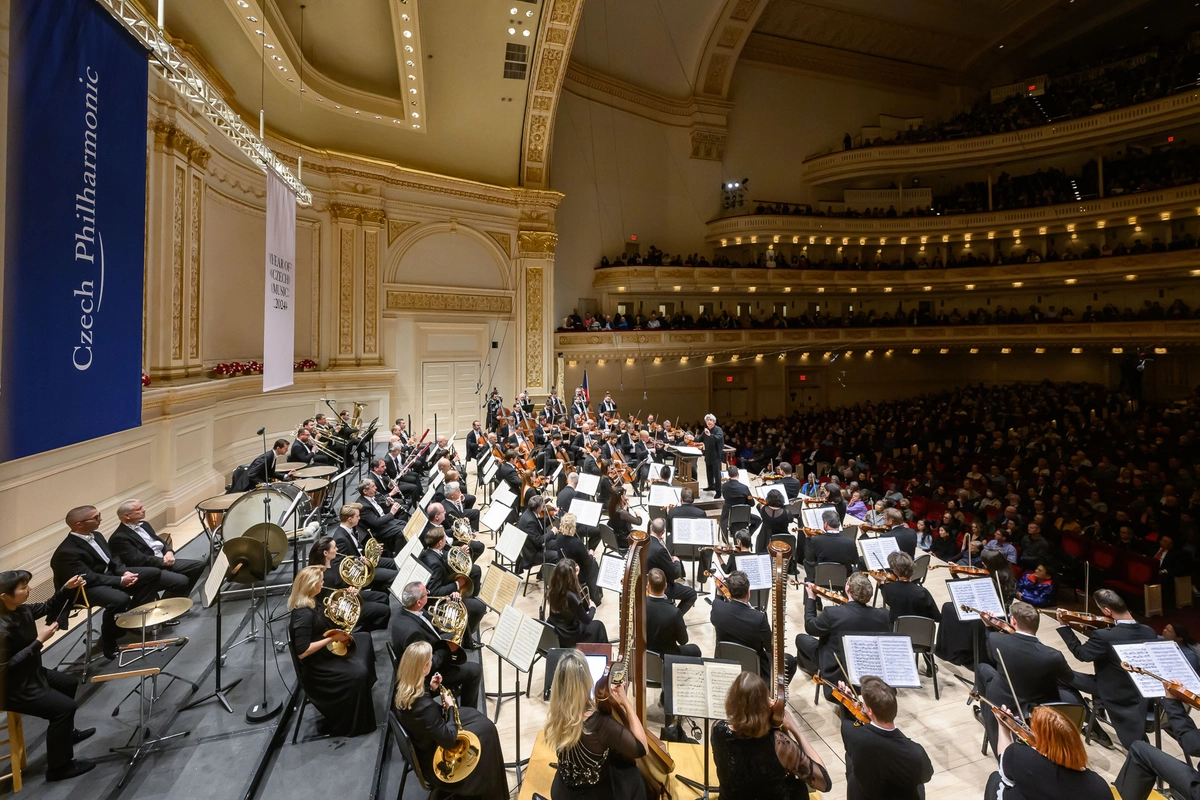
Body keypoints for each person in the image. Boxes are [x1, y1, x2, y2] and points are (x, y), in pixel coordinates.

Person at [0, 570, 96, 781]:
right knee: (64, 708)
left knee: (69, 683)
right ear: (4, 596)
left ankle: (66, 735)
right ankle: (58, 768)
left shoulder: (20, 609)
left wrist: (65, 589)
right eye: (23, 588)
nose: (29, 590)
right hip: (12, 688)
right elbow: (5, 669)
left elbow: (45, 607)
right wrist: (38, 642)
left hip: (30, 672)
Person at [392, 641, 507, 798]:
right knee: (487, 730)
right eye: (430, 660)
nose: (432, 661)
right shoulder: (426, 707)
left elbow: (424, 713)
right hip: (433, 760)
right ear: (425, 668)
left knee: (478, 720)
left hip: (422, 741)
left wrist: (430, 687)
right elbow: (448, 740)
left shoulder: (402, 687)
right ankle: (490, 786)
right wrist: (451, 707)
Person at [49, 505, 162, 659]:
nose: (100, 519)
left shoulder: (97, 535)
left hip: (106, 578)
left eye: (99, 515)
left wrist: (123, 572)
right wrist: (120, 580)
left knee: (152, 574)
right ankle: (108, 640)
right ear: (78, 525)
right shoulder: (66, 552)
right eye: (96, 517)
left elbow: (112, 558)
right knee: (119, 599)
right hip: (82, 590)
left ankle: (128, 620)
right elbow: (88, 577)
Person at [1058, 588, 1158, 749]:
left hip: (1115, 691)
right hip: (1141, 689)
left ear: (1107, 611)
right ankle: (1097, 712)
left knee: (1060, 677)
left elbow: (1082, 654)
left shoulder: (1105, 636)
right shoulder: (1149, 631)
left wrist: (1065, 627)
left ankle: (1094, 730)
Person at [974, 600, 1077, 754]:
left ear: (1013, 620)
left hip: (1006, 699)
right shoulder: (1054, 655)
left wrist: (989, 627)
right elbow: (1068, 678)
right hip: (1041, 703)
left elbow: (991, 654)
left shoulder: (998, 640)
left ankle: (988, 718)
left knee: (983, 669)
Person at [711, 671, 832, 799]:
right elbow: (824, 783)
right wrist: (795, 730)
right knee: (798, 787)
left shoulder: (717, 729)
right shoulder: (778, 743)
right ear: (764, 705)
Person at [545, 649, 647, 800]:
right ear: (587, 680)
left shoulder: (558, 713)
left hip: (562, 792)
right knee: (634, 776)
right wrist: (626, 703)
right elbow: (642, 749)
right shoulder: (600, 725)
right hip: (592, 795)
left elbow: (582, 708)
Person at [286, 565, 377, 736]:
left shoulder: (312, 599)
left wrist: (340, 604)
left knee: (364, 638)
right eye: (320, 581)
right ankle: (355, 721)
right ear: (312, 586)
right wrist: (332, 638)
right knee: (359, 672)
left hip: (325, 652)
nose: (323, 583)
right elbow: (303, 651)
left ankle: (362, 693)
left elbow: (324, 616)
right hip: (318, 666)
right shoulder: (303, 615)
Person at [840, 676, 933, 800]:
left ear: (870, 711)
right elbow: (927, 776)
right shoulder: (916, 752)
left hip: (863, 794)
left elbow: (847, 723)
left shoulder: (852, 734)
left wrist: (846, 701)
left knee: (851, 757)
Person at [796, 573, 890, 696]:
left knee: (800, 639)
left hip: (838, 676)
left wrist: (811, 599)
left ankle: (816, 670)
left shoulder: (833, 614)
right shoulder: (883, 615)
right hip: (867, 672)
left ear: (847, 589)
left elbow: (810, 627)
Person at [390, 581, 481, 708]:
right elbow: (426, 666)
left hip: (431, 650)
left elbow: (433, 626)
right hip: (427, 678)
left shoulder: (405, 612)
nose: (428, 593)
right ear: (418, 602)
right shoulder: (413, 633)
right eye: (425, 593)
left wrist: (450, 605)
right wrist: (447, 650)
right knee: (475, 671)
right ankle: (469, 712)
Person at [989, 705, 1110, 800]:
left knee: (994, 780)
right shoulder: (1099, 785)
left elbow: (1004, 762)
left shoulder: (1022, 758)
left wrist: (1004, 728)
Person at [109, 498, 205, 602]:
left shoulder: (144, 525)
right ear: (127, 516)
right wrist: (163, 561)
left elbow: (160, 542)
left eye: (142, 507)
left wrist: (169, 551)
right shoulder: (119, 537)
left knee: (197, 566)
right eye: (139, 509)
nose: (144, 509)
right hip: (149, 569)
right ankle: (167, 607)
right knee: (181, 581)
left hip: (161, 560)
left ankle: (174, 602)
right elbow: (138, 560)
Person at [711, 571, 793, 682]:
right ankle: (767, 693)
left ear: (729, 591)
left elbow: (717, 600)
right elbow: (770, 647)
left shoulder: (717, 608)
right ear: (748, 593)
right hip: (754, 668)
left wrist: (719, 591)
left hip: (727, 662)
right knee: (791, 661)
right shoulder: (758, 618)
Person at [307, 536, 390, 632]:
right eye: (334, 548)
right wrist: (349, 592)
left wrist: (361, 566)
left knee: (383, 597)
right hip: (344, 607)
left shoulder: (331, 564)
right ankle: (361, 631)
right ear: (326, 553)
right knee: (384, 611)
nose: (337, 549)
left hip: (349, 595)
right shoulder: (323, 575)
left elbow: (342, 583)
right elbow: (332, 600)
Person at [419, 526, 484, 639]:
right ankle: (466, 638)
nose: (447, 540)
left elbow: (442, 556)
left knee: (474, 571)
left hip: (443, 583)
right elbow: (435, 591)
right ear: (439, 543)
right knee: (480, 607)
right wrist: (457, 584)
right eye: (445, 538)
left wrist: (460, 552)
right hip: (438, 601)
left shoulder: (428, 553)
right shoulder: (435, 565)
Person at [331, 504, 399, 591]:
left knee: (395, 563)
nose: (359, 518)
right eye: (357, 516)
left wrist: (374, 551)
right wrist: (362, 562)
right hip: (361, 571)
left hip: (365, 561)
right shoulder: (340, 539)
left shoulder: (352, 528)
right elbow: (342, 565)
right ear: (350, 519)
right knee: (395, 575)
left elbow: (358, 549)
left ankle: (380, 589)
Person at [546, 559, 607, 646]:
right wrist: (592, 608)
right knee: (599, 626)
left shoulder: (552, 591)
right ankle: (603, 657)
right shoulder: (572, 597)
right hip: (569, 636)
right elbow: (587, 620)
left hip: (556, 632)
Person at [646, 518, 697, 616]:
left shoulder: (645, 541)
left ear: (651, 527)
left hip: (648, 581)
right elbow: (675, 574)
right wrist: (677, 562)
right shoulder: (660, 550)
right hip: (660, 586)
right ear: (663, 531)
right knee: (692, 594)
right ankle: (675, 616)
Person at [646, 568, 700, 657]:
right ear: (666, 586)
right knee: (695, 650)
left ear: (648, 586)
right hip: (668, 655)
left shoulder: (639, 605)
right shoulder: (674, 612)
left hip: (647, 652)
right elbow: (683, 641)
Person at [878, 551, 940, 623]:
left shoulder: (888, 589)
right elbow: (937, 617)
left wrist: (879, 582)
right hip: (920, 631)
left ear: (895, 571)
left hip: (897, 630)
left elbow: (889, 601)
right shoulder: (922, 592)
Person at [557, 513, 602, 605]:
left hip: (564, 569)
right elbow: (587, 562)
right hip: (577, 573)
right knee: (594, 564)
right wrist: (591, 554)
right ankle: (595, 598)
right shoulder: (577, 543)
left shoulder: (559, 537)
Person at [804, 509, 857, 582]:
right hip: (842, 580)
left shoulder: (816, 540)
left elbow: (809, 558)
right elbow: (855, 561)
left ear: (825, 524)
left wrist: (808, 538)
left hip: (821, 578)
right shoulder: (850, 542)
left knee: (807, 562)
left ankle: (811, 584)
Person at [701, 413, 725, 496]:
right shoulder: (706, 430)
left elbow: (717, 438)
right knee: (709, 472)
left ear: (714, 421)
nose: (709, 422)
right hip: (708, 454)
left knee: (716, 474)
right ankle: (711, 485)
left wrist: (710, 435)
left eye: (710, 420)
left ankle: (718, 491)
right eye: (707, 420)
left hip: (716, 455)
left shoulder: (718, 430)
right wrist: (692, 438)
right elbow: (699, 438)